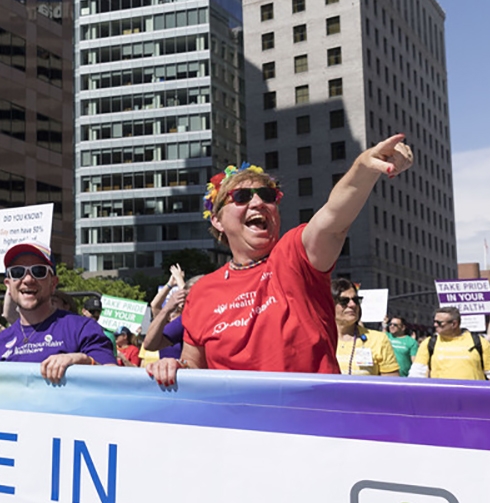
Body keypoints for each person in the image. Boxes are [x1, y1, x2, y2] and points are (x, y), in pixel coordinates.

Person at [148, 134, 413, 385]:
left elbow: (334, 220)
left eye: (267, 196)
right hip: (240, 427)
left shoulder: (295, 257)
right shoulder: (202, 291)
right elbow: (196, 371)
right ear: (217, 220)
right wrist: (173, 368)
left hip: (310, 423)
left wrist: (364, 168)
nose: (258, 203)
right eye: (241, 197)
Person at [0, 243, 115, 382]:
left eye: (38, 271)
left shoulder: (81, 329)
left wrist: (85, 362)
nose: (28, 279)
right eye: (17, 272)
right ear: (8, 285)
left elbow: (116, 381)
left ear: (53, 283)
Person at [409, 307, 490, 381]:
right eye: (434, 322)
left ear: (454, 324)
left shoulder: (479, 342)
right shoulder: (429, 343)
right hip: (441, 401)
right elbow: (417, 374)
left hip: (473, 401)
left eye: (439, 322)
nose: (435, 325)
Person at [331, 279, 398, 376]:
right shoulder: (316, 340)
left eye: (355, 300)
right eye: (344, 301)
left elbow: (392, 387)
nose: (352, 305)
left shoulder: (378, 340)